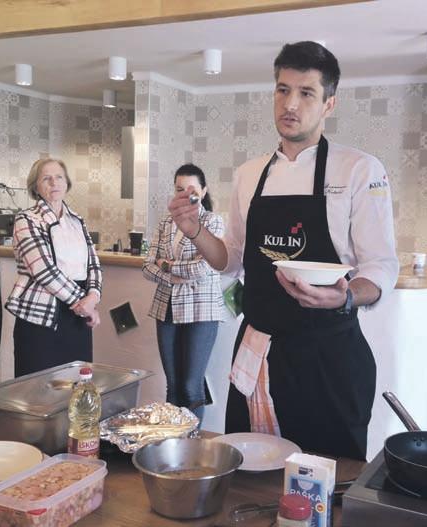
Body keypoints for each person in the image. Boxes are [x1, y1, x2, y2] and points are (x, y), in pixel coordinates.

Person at [169, 41, 398, 460]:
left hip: (328, 356)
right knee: (250, 474)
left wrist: (346, 296)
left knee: (325, 476)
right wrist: (194, 230)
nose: (290, 104)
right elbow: (231, 258)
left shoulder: (359, 170)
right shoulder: (249, 173)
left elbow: (381, 267)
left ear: (329, 103)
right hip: (258, 349)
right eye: (282, 90)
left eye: (306, 93)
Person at [143, 164, 224, 424]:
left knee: (190, 385)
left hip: (201, 310)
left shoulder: (212, 221)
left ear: (203, 191)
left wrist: (166, 265)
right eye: (180, 189)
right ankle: (174, 441)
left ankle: (193, 441)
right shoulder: (166, 223)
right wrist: (173, 274)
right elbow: (147, 266)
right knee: (173, 384)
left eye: (192, 190)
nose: (185, 195)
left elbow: (203, 267)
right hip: (165, 307)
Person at [5, 158, 102, 377]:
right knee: (38, 388)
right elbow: (43, 270)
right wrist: (84, 304)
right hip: (41, 317)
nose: (54, 182)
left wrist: (93, 297)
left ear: (67, 183)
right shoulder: (26, 220)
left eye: (59, 177)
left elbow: (93, 263)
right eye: (46, 178)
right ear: (35, 187)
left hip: (77, 317)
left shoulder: (77, 220)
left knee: (77, 384)